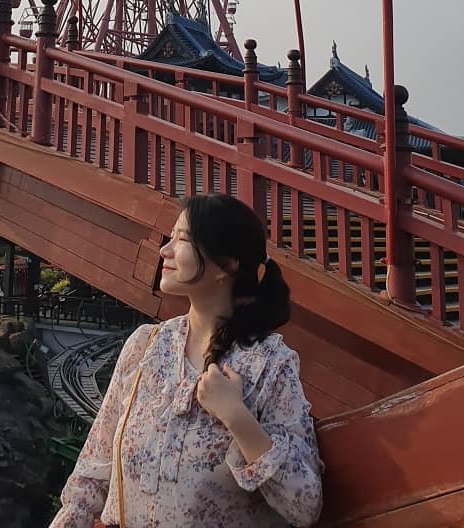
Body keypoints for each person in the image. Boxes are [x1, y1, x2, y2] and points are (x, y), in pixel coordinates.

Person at [49, 194, 323, 528]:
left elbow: (304, 505)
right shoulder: (145, 346)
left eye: (182, 240)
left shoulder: (270, 364)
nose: (165, 250)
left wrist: (237, 417)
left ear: (228, 265)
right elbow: (91, 478)